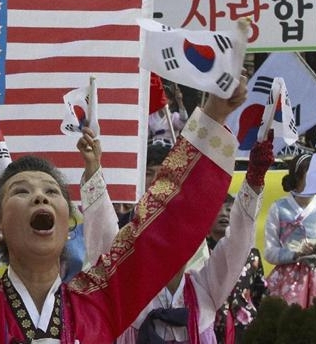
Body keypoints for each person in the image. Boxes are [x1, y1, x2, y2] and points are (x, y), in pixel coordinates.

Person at [0, 64, 247, 343]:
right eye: (21, 191)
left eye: (51, 192)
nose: (39, 195)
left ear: (68, 223)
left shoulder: (101, 299)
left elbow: (165, 228)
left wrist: (213, 116)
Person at [115, 133, 273, 344]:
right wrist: (92, 168)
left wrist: (254, 179)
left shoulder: (204, 288)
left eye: (178, 226)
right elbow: (99, 231)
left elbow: (238, 241)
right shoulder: (126, 285)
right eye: (157, 228)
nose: (169, 237)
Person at [210, 196, 268, 344]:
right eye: (217, 209)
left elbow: (261, 295)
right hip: (210, 329)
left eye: (229, 209)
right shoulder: (200, 256)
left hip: (246, 329)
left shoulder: (252, 256)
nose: (224, 213)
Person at [264, 153, 316, 308]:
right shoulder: (278, 208)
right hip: (288, 280)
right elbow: (270, 252)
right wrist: (295, 253)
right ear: (297, 177)